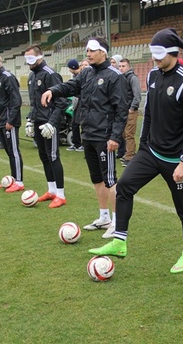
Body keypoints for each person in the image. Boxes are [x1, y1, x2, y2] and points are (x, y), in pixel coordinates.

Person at [88, 28, 183, 273]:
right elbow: (148, 113)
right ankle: (119, 241)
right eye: (153, 53)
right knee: (124, 187)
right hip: (151, 153)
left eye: (159, 53)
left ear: (172, 51)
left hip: (176, 159)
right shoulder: (152, 75)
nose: (155, 58)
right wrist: (142, 146)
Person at [41, 37, 128, 238]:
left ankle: (116, 222)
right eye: (87, 50)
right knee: (96, 179)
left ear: (103, 52)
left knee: (110, 180)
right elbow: (70, 86)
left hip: (105, 137)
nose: (88, 53)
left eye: (92, 50)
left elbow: (121, 109)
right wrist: (52, 90)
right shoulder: (87, 72)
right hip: (88, 133)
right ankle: (104, 216)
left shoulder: (115, 76)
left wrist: (115, 137)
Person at [24, 44, 68, 208]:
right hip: (38, 121)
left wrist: (52, 123)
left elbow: (61, 102)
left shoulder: (51, 75)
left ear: (39, 56)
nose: (28, 62)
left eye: (30, 58)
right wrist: (30, 119)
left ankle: (61, 194)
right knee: (43, 156)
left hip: (50, 123)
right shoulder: (31, 76)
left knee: (53, 156)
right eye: (26, 59)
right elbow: (34, 102)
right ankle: (51, 190)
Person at [0, 53, 24, 193]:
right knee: (8, 151)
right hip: (0, 120)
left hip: (9, 121)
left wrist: (11, 120)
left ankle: (19, 181)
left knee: (14, 151)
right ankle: (13, 179)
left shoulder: (8, 77)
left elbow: (16, 100)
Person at [118, 58, 141, 167]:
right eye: (120, 66)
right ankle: (128, 153)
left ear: (129, 66)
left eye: (123, 66)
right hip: (123, 110)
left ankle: (130, 157)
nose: (121, 68)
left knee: (129, 134)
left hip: (130, 110)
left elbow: (137, 96)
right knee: (124, 133)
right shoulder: (122, 78)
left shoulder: (132, 78)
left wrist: (132, 108)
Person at [65, 59, 84, 152]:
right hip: (76, 101)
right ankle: (76, 143)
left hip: (81, 101)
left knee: (79, 123)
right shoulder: (76, 76)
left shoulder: (80, 77)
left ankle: (81, 144)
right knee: (74, 123)